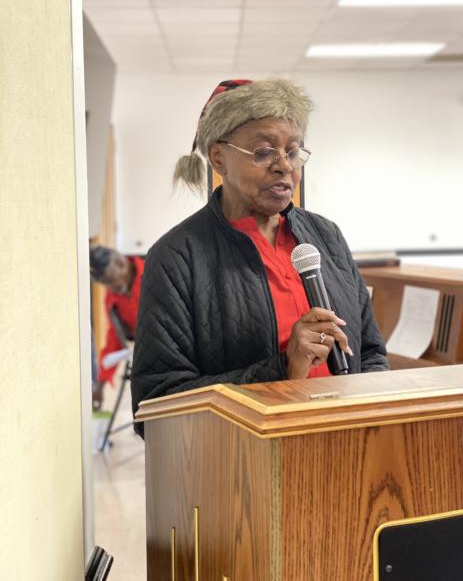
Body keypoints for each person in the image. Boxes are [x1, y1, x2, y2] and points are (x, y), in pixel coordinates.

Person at [131, 79, 388, 432]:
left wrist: (372, 422)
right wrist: (282, 370)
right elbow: (157, 404)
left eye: (293, 152)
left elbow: (372, 354)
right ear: (219, 157)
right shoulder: (176, 258)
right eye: (264, 152)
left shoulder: (326, 237)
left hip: (347, 450)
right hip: (246, 470)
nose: (285, 166)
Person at [90, 246, 144, 409]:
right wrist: (100, 386)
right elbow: (114, 338)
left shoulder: (154, 273)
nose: (111, 288)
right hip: (143, 356)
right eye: (106, 284)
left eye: (112, 280)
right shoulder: (113, 297)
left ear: (121, 263)